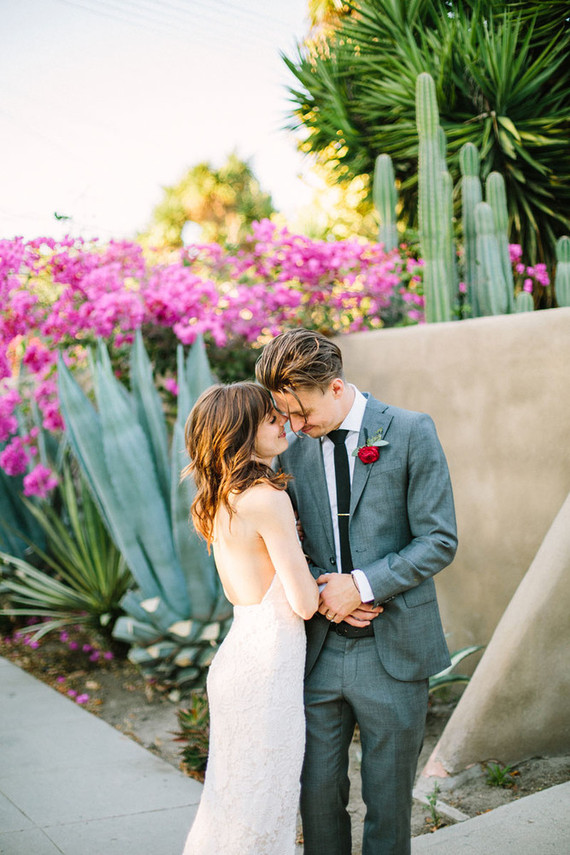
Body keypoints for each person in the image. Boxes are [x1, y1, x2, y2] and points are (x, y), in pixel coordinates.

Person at [255, 329, 457, 855]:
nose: (294, 427)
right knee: (317, 795)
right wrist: (323, 590)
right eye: (285, 415)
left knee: (389, 802)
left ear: (336, 388)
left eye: (301, 413)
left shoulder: (411, 431)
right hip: (317, 649)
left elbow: (439, 540)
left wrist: (361, 585)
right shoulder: (292, 450)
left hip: (396, 648)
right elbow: (289, 538)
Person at [180, 381, 319, 855]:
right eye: (270, 418)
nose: (284, 422)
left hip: (240, 655)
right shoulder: (266, 497)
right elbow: (303, 603)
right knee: (263, 812)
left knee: (231, 806)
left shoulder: (221, 497)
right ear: (240, 432)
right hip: (268, 668)